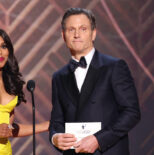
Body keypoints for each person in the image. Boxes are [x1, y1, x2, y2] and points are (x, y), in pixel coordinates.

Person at [49, 8, 141, 155]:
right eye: (71, 29)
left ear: (93, 34)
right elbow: (56, 121)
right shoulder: (59, 77)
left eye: (83, 29)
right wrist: (55, 138)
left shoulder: (114, 67)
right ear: (63, 35)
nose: (77, 34)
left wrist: (99, 140)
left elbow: (131, 112)